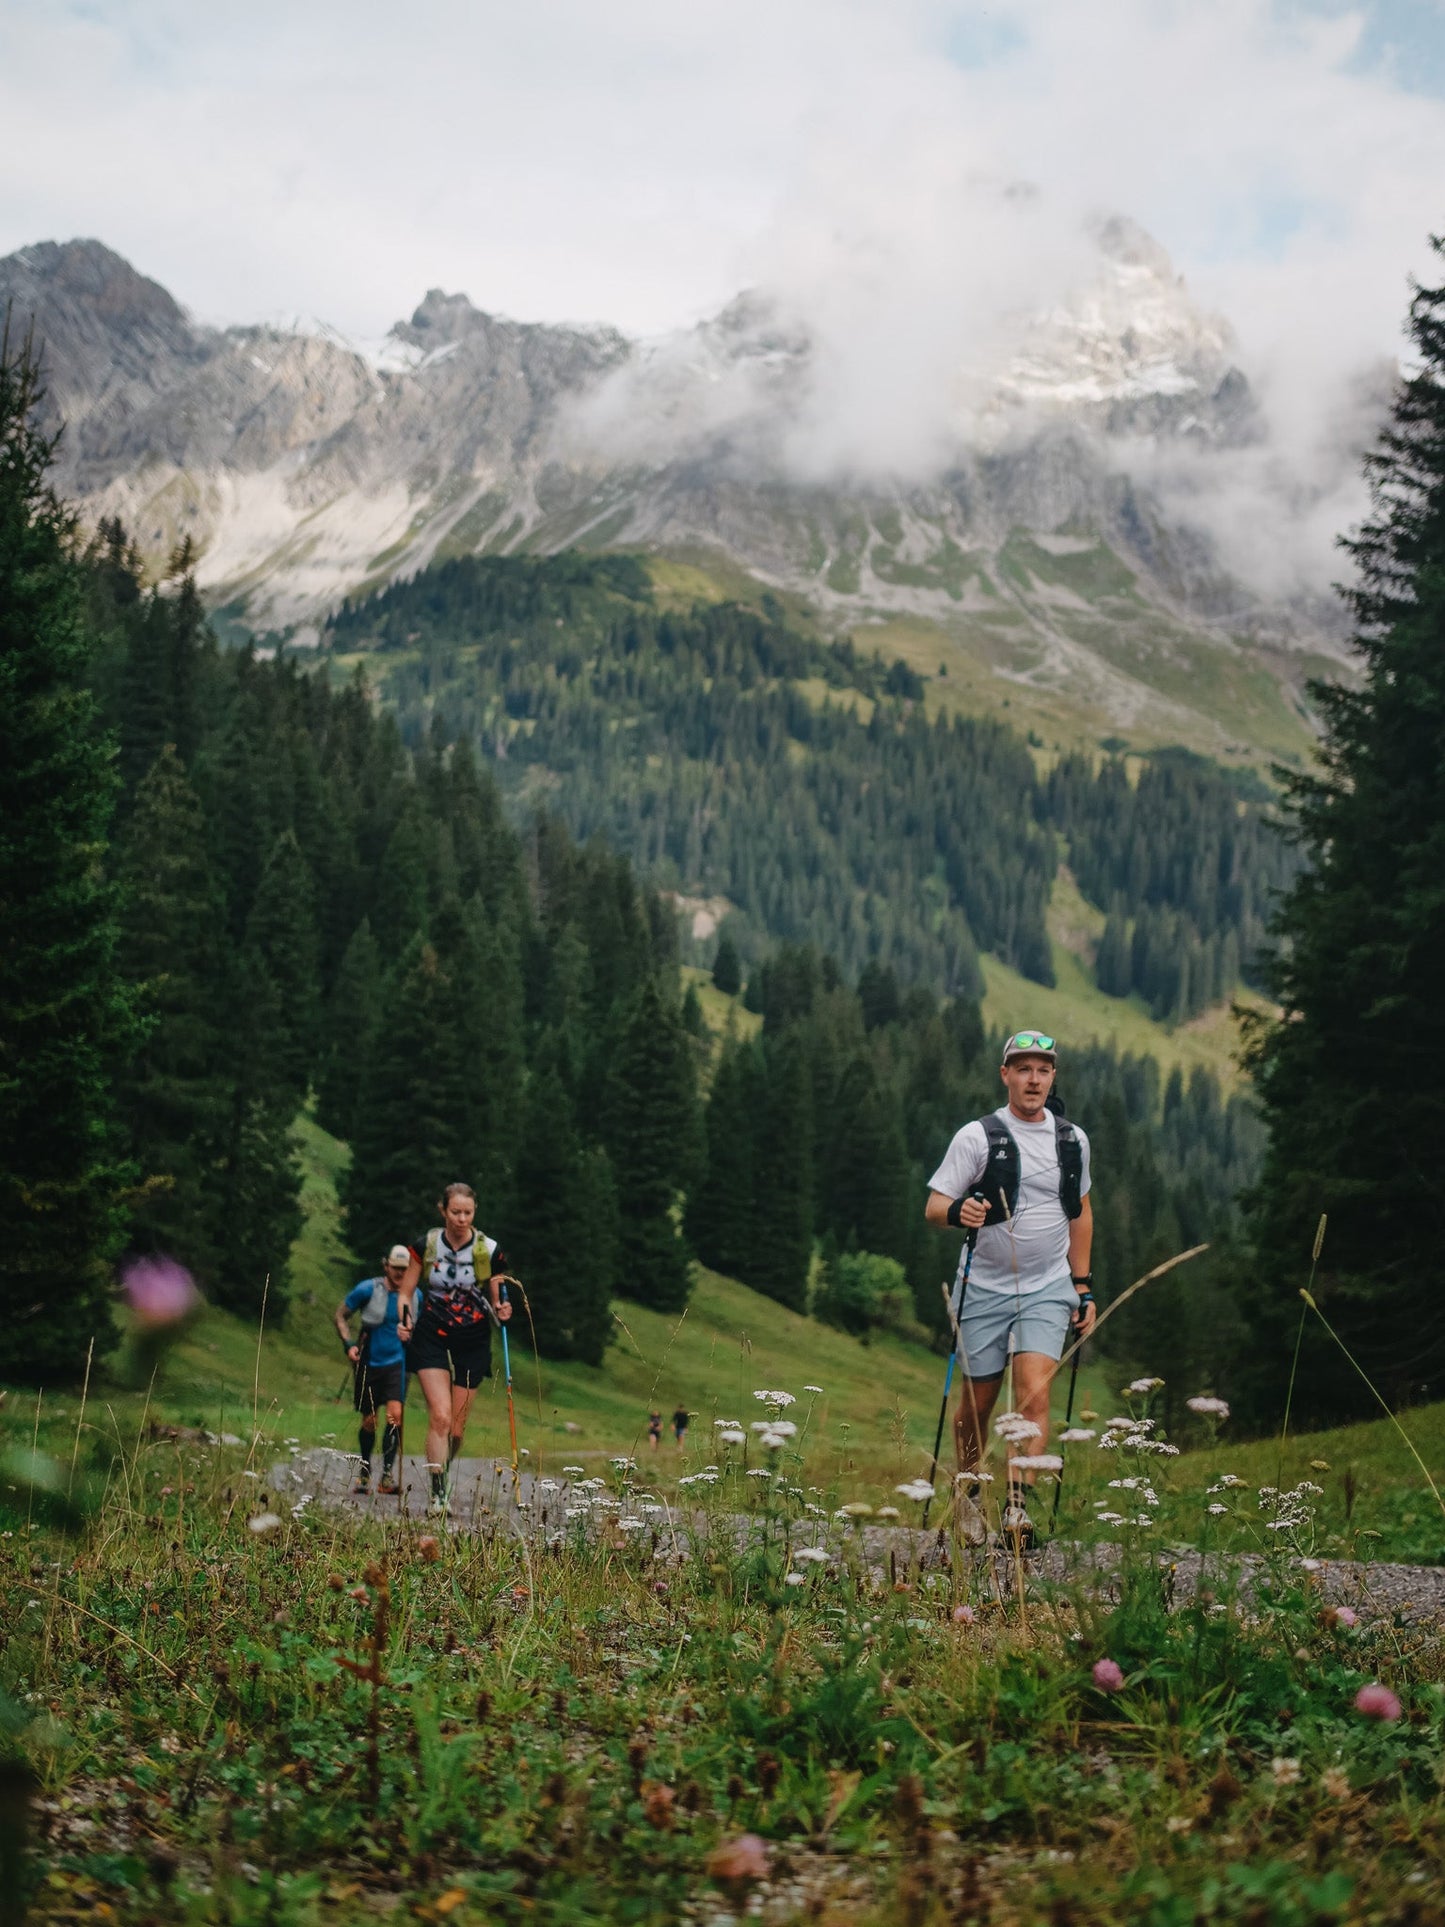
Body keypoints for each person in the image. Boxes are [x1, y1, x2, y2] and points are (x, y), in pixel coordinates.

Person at [924, 1030, 1096, 1549]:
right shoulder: (977, 1137)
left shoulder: (1072, 1140)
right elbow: (934, 1206)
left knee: (1034, 1391)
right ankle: (970, 1495)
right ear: (1006, 1075)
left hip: (1047, 1285)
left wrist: (1083, 1287)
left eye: (1043, 1070)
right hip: (983, 1285)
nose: (1033, 1079)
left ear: (1053, 1077)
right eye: (1023, 1069)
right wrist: (960, 1211)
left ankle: (1018, 1512)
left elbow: (1081, 1212)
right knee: (978, 1404)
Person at [400, 1182, 514, 1515]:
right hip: (431, 1331)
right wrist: (405, 1320)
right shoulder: (426, 1245)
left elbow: (497, 1296)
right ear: (443, 1210)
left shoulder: (488, 1250)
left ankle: (444, 1469)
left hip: (473, 1336)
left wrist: (503, 1310)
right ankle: (438, 1494)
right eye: (455, 1212)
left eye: (468, 1212)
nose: (461, 1219)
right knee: (441, 1416)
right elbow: (406, 1292)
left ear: (474, 1212)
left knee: (457, 1428)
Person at [335, 1245, 412, 1496]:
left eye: (404, 1269)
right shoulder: (368, 1289)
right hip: (369, 1361)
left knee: (395, 1415)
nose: (400, 1273)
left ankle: (387, 1475)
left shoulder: (414, 1296)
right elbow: (340, 1315)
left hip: (397, 1363)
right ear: (386, 1265)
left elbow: (418, 1331)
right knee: (370, 1420)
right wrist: (349, 1345)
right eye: (396, 1268)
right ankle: (365, 1470)